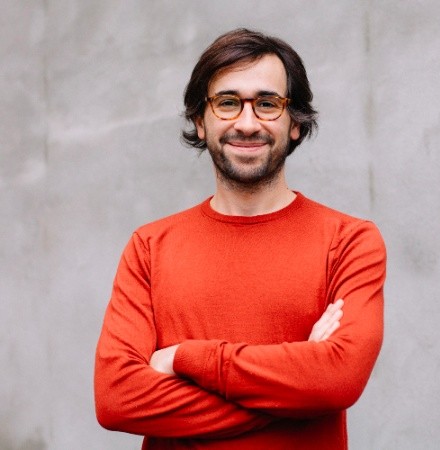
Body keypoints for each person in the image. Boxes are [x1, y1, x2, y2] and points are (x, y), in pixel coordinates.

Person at [94, 28, 386, 449]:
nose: (247, 124)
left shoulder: (350, 242)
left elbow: (338, 378)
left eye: (267, 104)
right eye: (227, 103)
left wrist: (185, 358)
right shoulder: (149, 247)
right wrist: (295, 390)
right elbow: (117, 399)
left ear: (295, 123)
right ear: (200, 120)